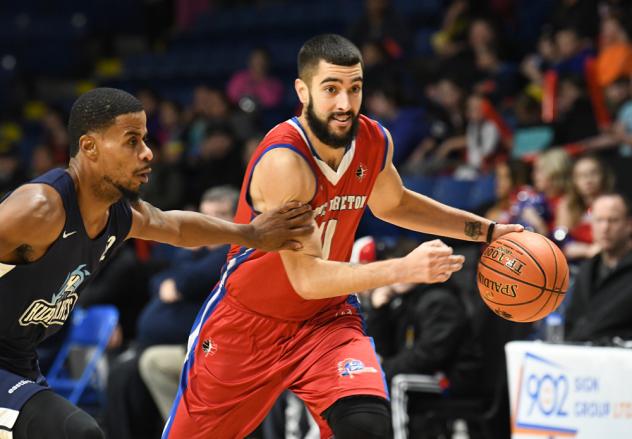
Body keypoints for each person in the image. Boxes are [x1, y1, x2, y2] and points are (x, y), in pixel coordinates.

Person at [163, 34, 522, 439]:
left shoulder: (372, 140)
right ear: (303, 90)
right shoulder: (285, 161)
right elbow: (307, 278)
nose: (345, 104)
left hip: (326, 320)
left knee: (367, 427)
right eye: (331, 89)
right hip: (247, 325)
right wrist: (403, 269)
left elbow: (396, 203)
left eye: (355, 89)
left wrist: (485, 230)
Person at [0, 87, 313, 439]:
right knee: (76, 433)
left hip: (19, 359)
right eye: (131, 141)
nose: (148, 153)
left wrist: (251, 235)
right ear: (89, 147)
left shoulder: (118, 215)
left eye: (145, 140)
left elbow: (177, 226)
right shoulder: (40, 208)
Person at [564, 192, 632, 343]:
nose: (605, 227)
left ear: (629, 225)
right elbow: (572, 321)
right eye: (599, 220)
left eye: (613, 220)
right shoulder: (587, 269)